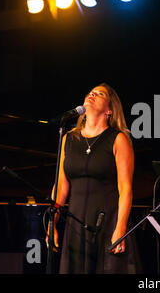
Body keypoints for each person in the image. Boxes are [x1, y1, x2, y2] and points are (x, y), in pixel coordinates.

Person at [46, 82, 141, 274]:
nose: (92, 94)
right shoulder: (69, 139)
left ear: (109, 110)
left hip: (107, 224)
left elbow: (126, 189)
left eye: (100, 94)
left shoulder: (118, 139)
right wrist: (51, 223)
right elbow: (61, 187)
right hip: (76, 224)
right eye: (91, 92)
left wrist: (120, 229)